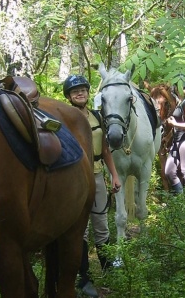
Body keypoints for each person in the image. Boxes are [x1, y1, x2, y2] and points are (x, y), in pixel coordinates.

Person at [63, 75, 121, 298]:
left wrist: (114, 175)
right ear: (68, 96)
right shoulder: (65, 117)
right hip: (75, 178)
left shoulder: (97, 117)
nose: (79, 93)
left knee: (101, 222)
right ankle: (83, 276)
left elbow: (105, 149)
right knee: (80, 230)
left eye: (82, 90)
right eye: (74, 91)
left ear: (88, 93)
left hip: (96, 174)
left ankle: (108, 269)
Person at [164, 85, 185, 194]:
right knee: (169, 172)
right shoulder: (180, 104)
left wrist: (175, 123)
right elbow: (177, 127)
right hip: (176, 141)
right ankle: (181, 201)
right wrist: (167, 137)